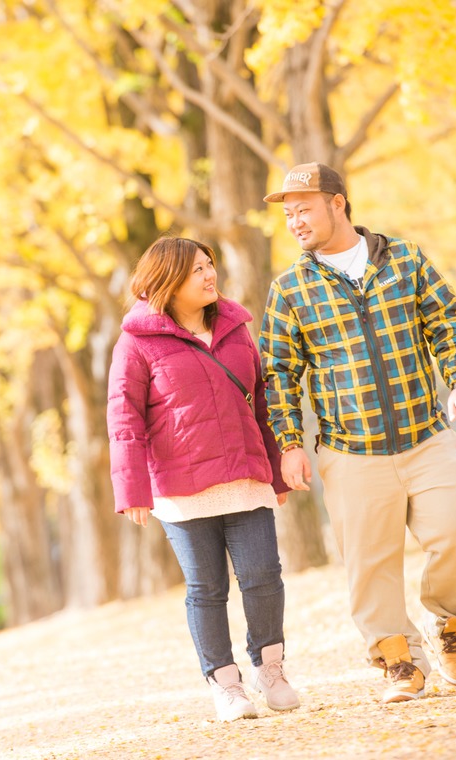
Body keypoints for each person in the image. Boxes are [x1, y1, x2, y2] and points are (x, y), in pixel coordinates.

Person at [259, 162, 456, 704]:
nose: (295, 221)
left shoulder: (404, 258)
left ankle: (450, 626)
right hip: (350, 450)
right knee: (370, 564)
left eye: (304, 208)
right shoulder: (290, 289)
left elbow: (445, 320)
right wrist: (290, 443)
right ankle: (398, 662)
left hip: (426, 435)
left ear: (338, 203)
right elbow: (278, 373)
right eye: (288, 214)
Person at [107, 236, 299, 721]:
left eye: (210, 264)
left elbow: (261, 401)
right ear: (167, 281)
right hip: (181, 492)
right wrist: (132, 491)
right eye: (197, 270)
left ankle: (270, 669)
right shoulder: (135, 343)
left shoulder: (237, 328)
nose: (210, 274)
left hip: (245, 477)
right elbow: (123, 419)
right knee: (206, 589)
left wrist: (278, 470)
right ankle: (226, 684)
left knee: (263, 578)